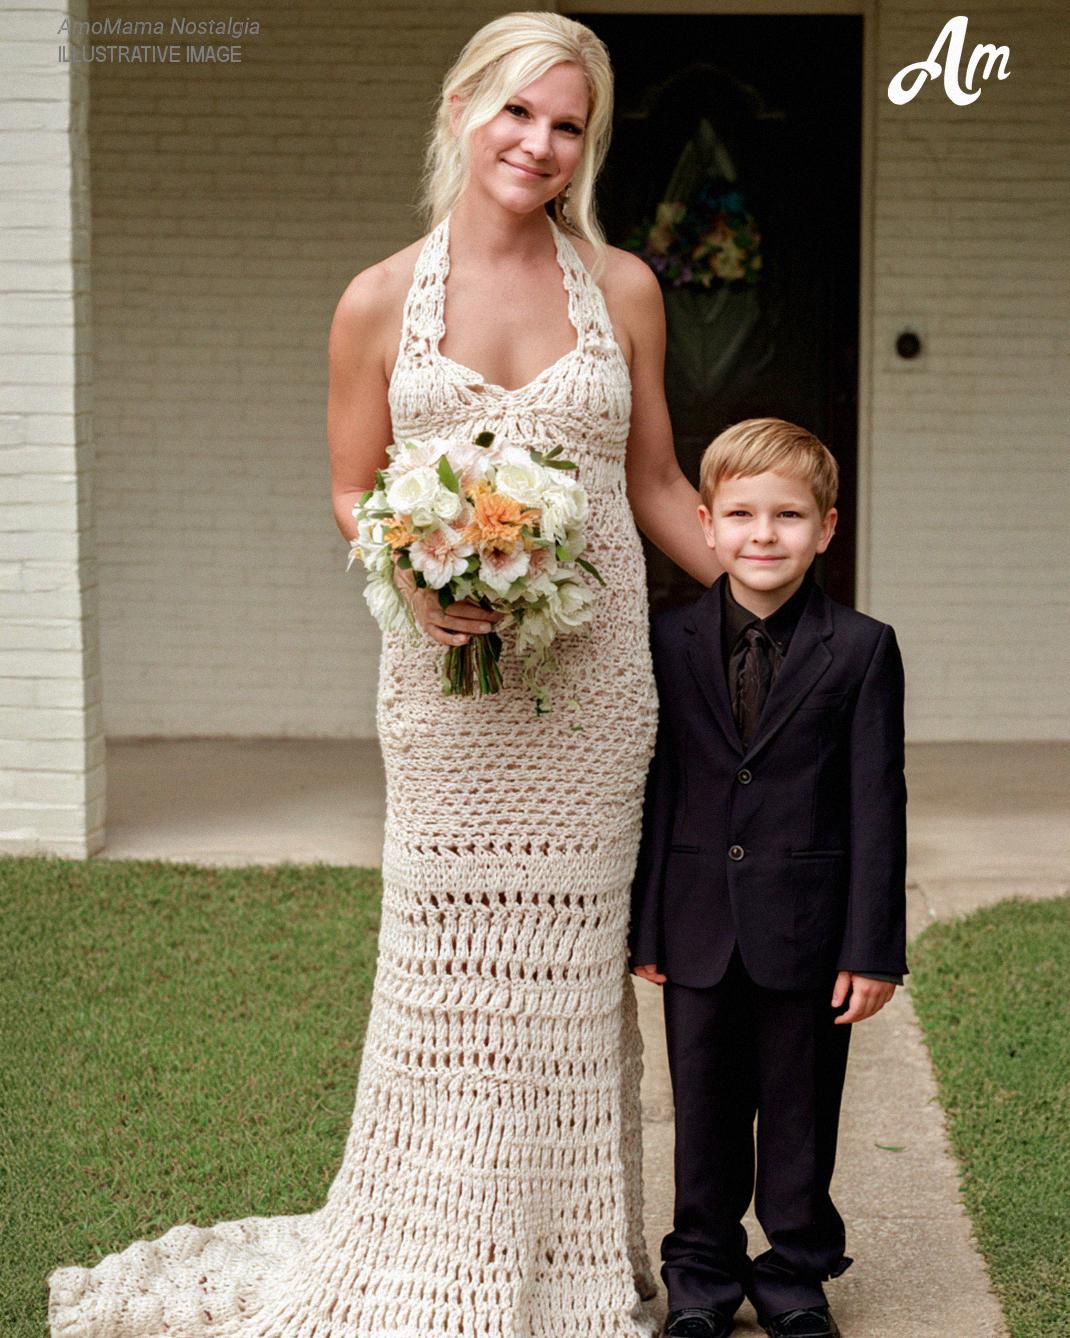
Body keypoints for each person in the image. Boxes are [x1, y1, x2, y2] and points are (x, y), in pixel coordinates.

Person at [47, 13, 723, 1337]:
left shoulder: (624, 289)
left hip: (592, 695)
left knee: (570, 976)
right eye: (516, 110)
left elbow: (650, 480)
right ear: (461, 107)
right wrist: (412, 577)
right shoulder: (375, 299)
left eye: (567, 123)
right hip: (444, 695)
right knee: (443, 973)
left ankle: (562, 1265)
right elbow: (354, 489)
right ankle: (434, 1252)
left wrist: (768, 586)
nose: (538, 142)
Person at [629, 418, 907, 1338]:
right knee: (703, 1112)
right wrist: (648, 925)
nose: (764, 534)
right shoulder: (666, 641)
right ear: (706, 524)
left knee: (801, 1111)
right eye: (742, 514)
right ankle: (702, 1274)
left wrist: (874, 949)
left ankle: (795, 1272)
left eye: (788, 515)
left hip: (810, 929)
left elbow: (878, 803)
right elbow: (659, 787)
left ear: (826, 529)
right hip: (698, 922)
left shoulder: (862, 647)